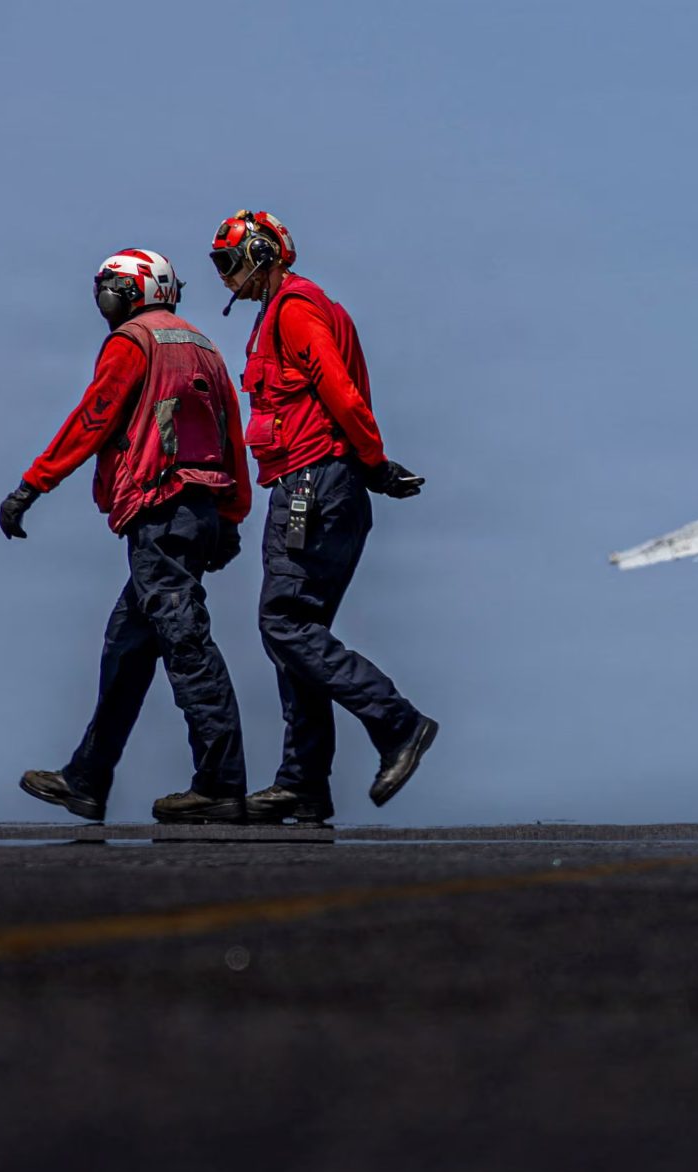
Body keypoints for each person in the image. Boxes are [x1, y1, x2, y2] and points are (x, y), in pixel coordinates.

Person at [1, 250, 251, 824]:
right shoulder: (202, 343)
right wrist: (232, 516)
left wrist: (32, 486)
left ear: (135, 289)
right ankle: (88, 779)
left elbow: (95, 417)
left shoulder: (133, 342)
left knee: (185, 644)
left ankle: (220, 784)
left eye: (110, 285)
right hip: (198, 512)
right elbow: (229, 434)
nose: (102, 296)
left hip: (160, 511)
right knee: (127, 649)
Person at [210, 210, 438, 824]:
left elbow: (339, 390)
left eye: (229, 261)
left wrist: (375, 459)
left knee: (283, 622)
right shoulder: (295, 309)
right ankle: (303, 784)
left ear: (264, 253)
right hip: (324, 483)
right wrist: (370, 467)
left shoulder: (294, 309)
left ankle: (398, 723)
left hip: (311, 483)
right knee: (298, 633)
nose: (224, 276)